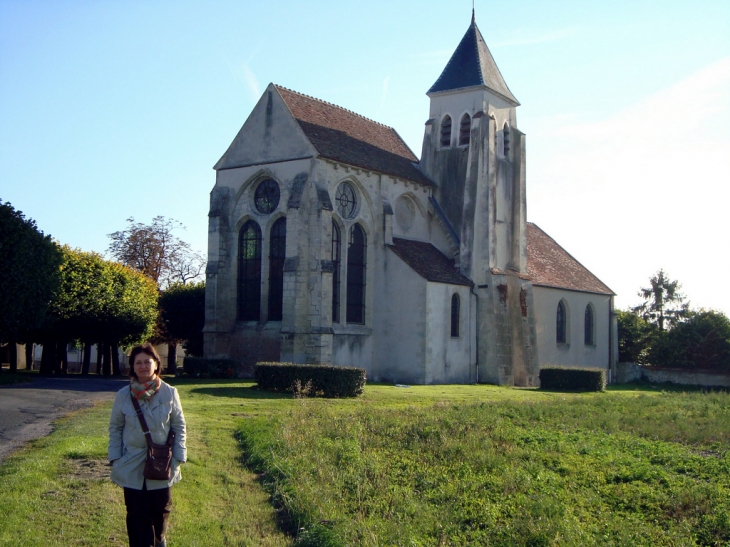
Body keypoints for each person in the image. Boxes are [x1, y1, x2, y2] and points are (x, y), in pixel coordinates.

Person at [108, 343, 187, 547]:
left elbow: (179, 426)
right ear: (132, 366)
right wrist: (115, 459)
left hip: (162, 463)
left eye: (147, 361)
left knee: (160, 512)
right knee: (135, 515)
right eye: (138, 362)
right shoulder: (123, 395)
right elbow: (115, 428)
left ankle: (160, 541)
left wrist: (178, 458)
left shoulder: (169, 393)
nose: (143, 366)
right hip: (131, 463)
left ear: (156, 364)